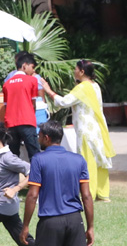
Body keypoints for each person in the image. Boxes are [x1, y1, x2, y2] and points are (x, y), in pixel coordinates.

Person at [43, 60, 115, 201]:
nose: (74, 71)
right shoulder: (95, 86)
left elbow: (64, 102)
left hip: (86, 131)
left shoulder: (82, 88)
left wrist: (48, 90)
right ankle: (102, 193)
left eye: (76, 69)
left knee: (87, 161)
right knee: (99, 159)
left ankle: (89, 193)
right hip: (97, 129)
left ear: (82, 72)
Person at [3, 53, 43, 159]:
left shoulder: (6, 84)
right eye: (32, 67)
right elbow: (33, 103)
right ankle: (36, 171)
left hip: (11, 123)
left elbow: (6, 106)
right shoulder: (32, 80)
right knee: (34, 154)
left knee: (13, 156)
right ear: (25, 65)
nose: (33, 71)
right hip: (27, 121)